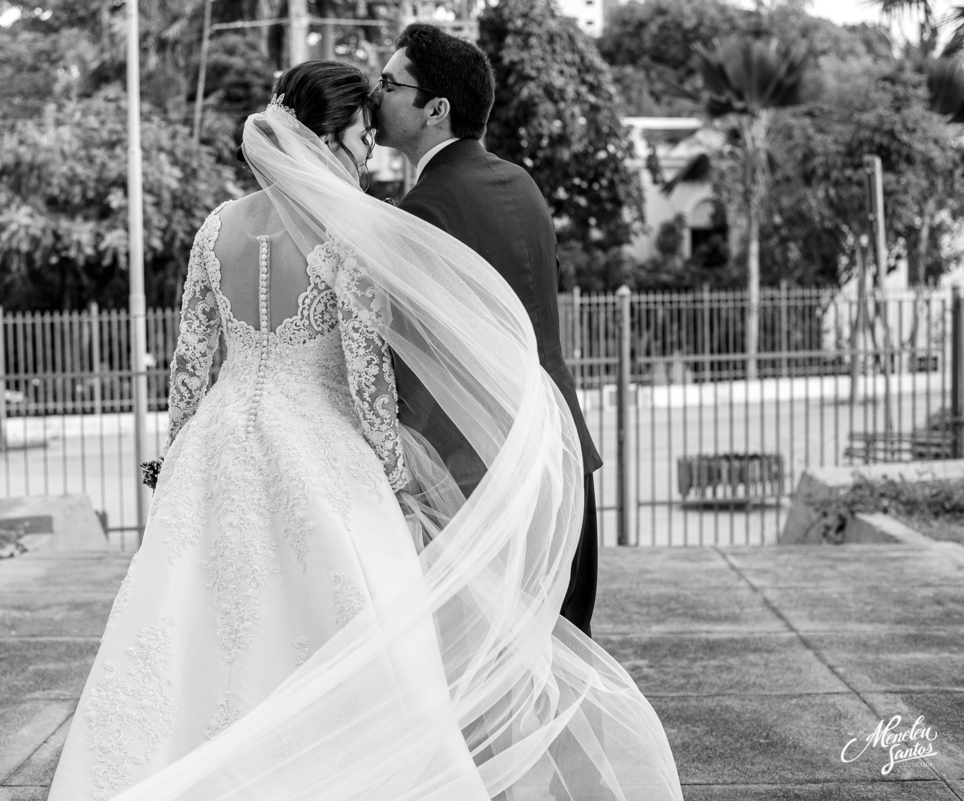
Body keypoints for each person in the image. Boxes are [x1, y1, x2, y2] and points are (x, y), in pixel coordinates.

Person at [47, 60, 681, 801]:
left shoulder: (214, 228)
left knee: (190, 621)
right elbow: (368, 379)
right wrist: (393, 470)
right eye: (355, 139)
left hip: (217, 446)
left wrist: (174, 453)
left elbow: (190, 362)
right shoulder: (344, 236)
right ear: (323, 140)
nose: (365, 155)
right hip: (317, 448)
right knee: (345, 627)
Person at [373, 22, 603, 637]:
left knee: (483, 664)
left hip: (480, 469)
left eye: (390, 83)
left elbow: (414, 356)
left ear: (436, 110)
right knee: (552, 650)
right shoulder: (520, 182)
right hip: (558, 444)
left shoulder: (425, 211)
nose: (376, 96)